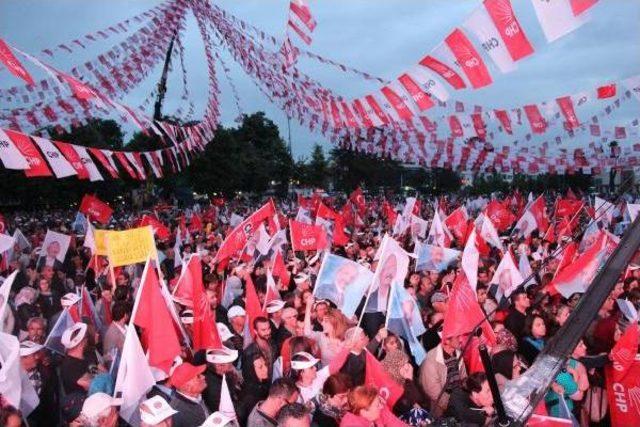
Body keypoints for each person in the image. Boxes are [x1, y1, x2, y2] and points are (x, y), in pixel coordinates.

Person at [419, 333, 467, 418]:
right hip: (441, 411)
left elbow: (464, 379)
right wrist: (458, 406)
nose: (461, 340)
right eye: (458, 336)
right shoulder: (431, 361)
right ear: (447, 340)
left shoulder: (459, 354)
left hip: (460, 402)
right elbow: (435, 394)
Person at [340, 385, 406, 427]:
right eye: (377, 405)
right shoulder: (351, 424)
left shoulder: (379, 408)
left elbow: (396, 423)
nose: (381, 406)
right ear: (363, 412)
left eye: (379, 402)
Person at [168, 362, 209, 427]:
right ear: (187, 387)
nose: (203, 377)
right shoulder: (178, 413)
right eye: (198, 376)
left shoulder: (197, 396)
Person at [60, 322, 93, 395]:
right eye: (86, 337)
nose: (87, 339)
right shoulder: (68, 366)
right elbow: (93, 386)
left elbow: (103, 373)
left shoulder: (86, 356)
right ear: (82, 342)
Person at [237, 353, 271, 425]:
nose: (266, 369)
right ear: (251, 370)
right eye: (260, 367)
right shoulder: (248, 396)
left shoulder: (263, 385)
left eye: (265, 364)